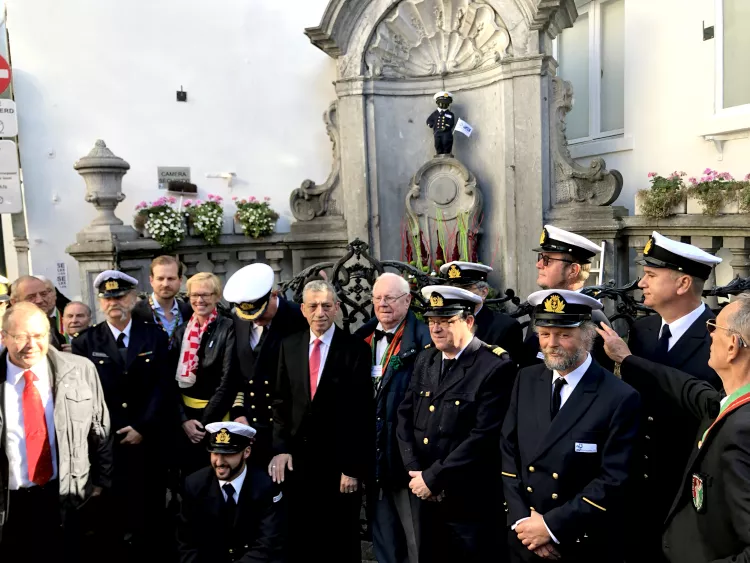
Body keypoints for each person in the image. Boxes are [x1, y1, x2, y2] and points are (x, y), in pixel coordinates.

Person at [596, 231, 722, 560]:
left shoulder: (720, 336)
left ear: (682, 284)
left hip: (686, 489)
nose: (641, 283)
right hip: (636, 486)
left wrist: (629, 360)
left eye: (651, 275)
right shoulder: (643, 330)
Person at [597, 294, 750, 563]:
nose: (710, 334)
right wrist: (627, 359)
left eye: (716, 328)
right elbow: (686, 388)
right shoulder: (727, 401)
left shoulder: (742, 431)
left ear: (733, 347)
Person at [501, 289, 640, 563]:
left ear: (587, 337)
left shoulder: (619, 397)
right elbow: (508, 450)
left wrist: (550, 528)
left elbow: (613, 479)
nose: (552, 343)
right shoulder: (526, 379)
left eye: (564, 334)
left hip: (579, 540)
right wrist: (522, 521)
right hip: (524, 535)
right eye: (544, 334)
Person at [397, 285, 517, 563]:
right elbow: (404, 415)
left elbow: (483, 437)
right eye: (431, 321)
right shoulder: (427, 358)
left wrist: (434, 477)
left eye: (446, 321)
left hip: (469, 498)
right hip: (424, 491)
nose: (436, 329)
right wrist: (414, 469)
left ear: (469, 321)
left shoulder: (494, 366)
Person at [71, 270, 172, 561]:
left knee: (151, 506)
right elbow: (84, 394)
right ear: (100, 302)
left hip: (147, 438)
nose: (114, 302)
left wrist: (142, 426)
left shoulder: (153, 335)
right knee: (111, 512)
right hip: (107, 442)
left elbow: (162, 387)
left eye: (120, 296)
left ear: (133, 298)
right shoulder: (85, 343)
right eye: (108, 297)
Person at [0, 302, 112, 563]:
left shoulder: (79, 370)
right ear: (3, 337)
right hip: (9, 504)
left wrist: (100, 484)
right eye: (20, 337)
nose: (31, 345)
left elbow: (100, 430)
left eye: (39, 336)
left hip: (63, 498)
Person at [269, 280, 372, 563]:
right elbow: (280, 402)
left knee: (341, 542)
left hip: (338, 468)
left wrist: (352, 468)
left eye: (327, 306)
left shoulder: (355, 349)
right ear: (302, 309)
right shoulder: (289, 345)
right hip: (298, 464)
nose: (320, 312)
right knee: (301, 540)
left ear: (337, 308)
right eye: (313, 306)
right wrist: (281, 449)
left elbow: (360, 412)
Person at [353, 272, 431, 563]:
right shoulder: (361, 338)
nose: (383, 304)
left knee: (416, 544)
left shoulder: (425, 341)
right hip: (374, 459)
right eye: (377, 298)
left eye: (390, 298)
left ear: (408, 300)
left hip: (408, 460)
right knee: (383, 541)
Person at [223, 263, 308, 466]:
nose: (256, 319)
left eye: (260, 313)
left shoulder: (298, 318)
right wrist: (239, 412)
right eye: (250, 315)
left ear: (274, 295)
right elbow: (239, 373)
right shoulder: (241, 319)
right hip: (251, 422)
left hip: (287, 425)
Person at [177, 421, 286, 563]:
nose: (219, 462)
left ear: (246, 452)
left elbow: (268, 543)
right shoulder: (194, 484)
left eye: (228, 454)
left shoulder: (265, 486)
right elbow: (186, 542)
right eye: (215, 453)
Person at [172, 272, 240, 477]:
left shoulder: (229, 327)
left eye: (205, 294)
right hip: (186, 422)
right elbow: (169, 381)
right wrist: (184, 420)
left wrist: (203, 424)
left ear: (217, 297)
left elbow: (228, 381)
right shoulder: (182, 330)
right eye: (194, 295)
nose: (199, 300)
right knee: (190, 479)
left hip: (216, 417)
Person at [522, 225, 612, 369]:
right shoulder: (540, 307)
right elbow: (529, 361)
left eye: (547, 260)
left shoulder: (592, 318)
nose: (539, 265)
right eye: (540, 258)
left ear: (573, 270)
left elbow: (597, 378)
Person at [439, 261, 524, 365]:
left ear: (484, 292)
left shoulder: (504, 327)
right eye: (453, 290)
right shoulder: (441, 325)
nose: (458, 295)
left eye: (465, 289)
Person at [133, 255, 192, 338]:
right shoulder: (135, 312)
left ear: (180, 280)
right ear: (151, 280)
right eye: (160, 278)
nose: (165, 284)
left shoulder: (188, 312)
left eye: (171, 278)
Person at [10, 276, 65, 351]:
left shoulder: (52, 323)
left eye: (43, 294)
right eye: (31, 297)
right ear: (15, 302)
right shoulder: (7, 329)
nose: (40, 300)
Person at [426, 91, 456, 155]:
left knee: (446, 143)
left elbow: (451, 122)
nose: (444, 105)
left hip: (446, 133)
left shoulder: (450, 114)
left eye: (446, 103)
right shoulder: (435, 113)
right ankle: (439, 154)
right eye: (442, 103)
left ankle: (446, 154)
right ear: (438, 103)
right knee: (437, 144)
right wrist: (431, 124)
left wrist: (447, 127)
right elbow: (429, 120)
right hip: (437, 132)